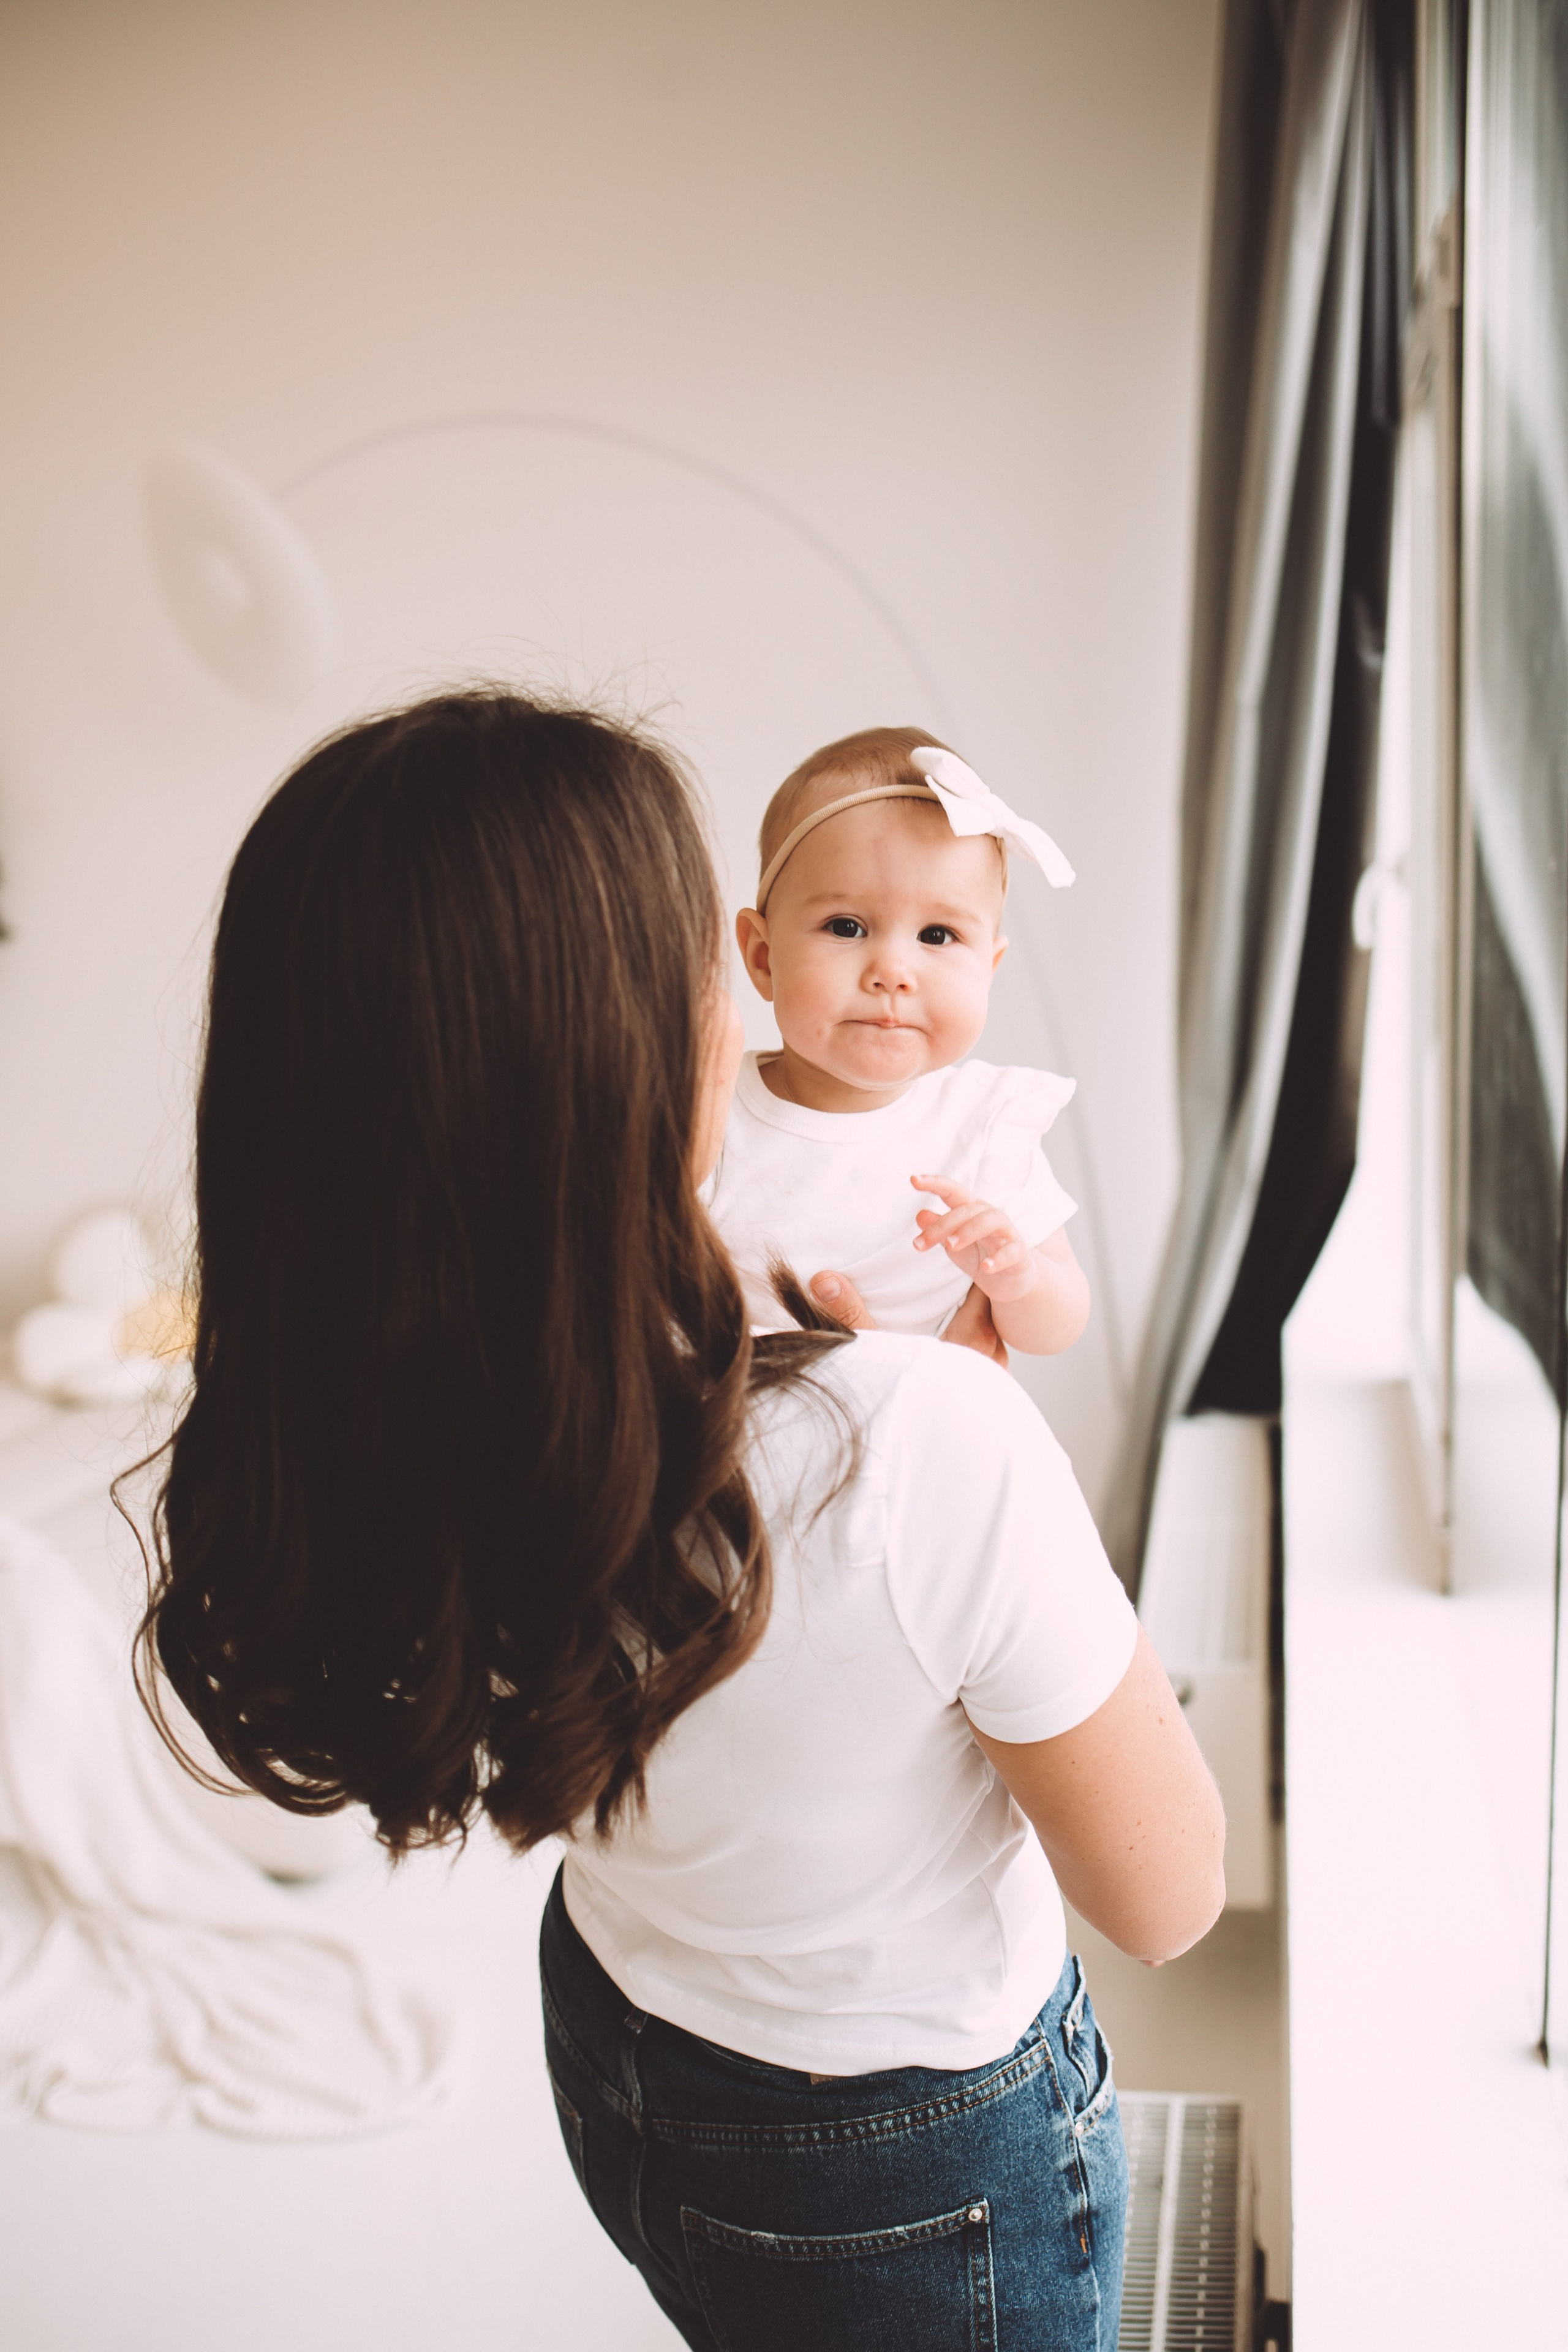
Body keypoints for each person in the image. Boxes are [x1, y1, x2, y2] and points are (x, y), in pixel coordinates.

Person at [140, 688, 1225, 2350]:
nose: (739, 1018)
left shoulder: (384, 1384)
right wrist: (963, 1456)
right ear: (625, 1039)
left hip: (624, 2025)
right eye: (706, 970)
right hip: (897, 2147)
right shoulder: (924, 1436)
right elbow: (1165, 1897)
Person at [710, 723, 1089, 1355]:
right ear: (763, 956)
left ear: (989, 968)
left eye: (937, 936)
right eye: (846, 926)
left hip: (914, 1415)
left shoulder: (983, 1128)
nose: (892, 971)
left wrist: (1019, 1280)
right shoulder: (712, 1115)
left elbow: (1058, 1327)